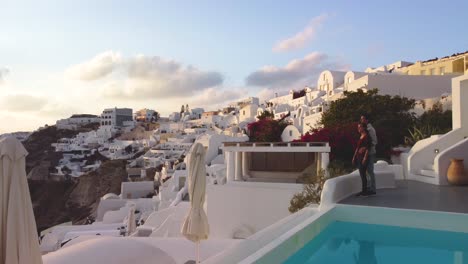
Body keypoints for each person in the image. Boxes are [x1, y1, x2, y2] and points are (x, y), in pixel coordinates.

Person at [353, 123, 372, 196]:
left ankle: (364, 191)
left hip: (363, 157)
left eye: (360, 127)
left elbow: (368, 148)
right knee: (362, 174)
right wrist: (354, 156)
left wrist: (364, 158)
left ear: (363, 128)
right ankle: (364, 190)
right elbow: (357, 148)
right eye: (358, 127)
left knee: (363, 174)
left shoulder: (367, 137)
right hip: (358, 157)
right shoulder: (360, 136)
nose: (358, 128)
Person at [361, 114, 377, 195]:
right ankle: (369, 187)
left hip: (370, 153)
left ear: (367, 120)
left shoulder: (370, 129)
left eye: (363, 119)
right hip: (366, 154)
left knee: (370, 170)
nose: (362, 120)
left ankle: (373, 189)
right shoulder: (365, 129)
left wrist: (366, 148)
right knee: (367, 171)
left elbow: (374, 141)